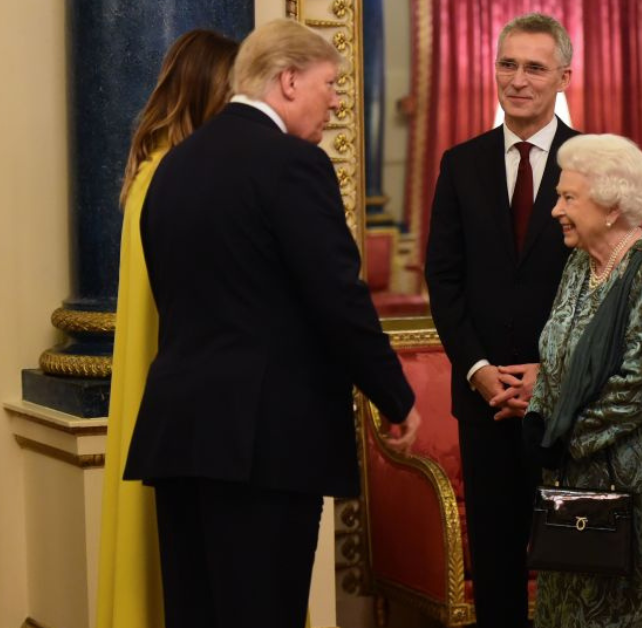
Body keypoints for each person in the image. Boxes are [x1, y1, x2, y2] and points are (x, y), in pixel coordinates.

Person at [122, 19, 421, 628]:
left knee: (197, 614)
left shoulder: (171, 169)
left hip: (179, 435)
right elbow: (338, 297)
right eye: (329, 84)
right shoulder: (292, 165)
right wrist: (396, 397)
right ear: (287, 80)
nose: (336, 102)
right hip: (264, 443)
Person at [423, 13, 578, 627]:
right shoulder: (461, 164)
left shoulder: (591, 160)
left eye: (534, 67)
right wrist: (479, 369)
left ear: (564, 76)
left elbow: (608, 285)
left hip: (567, 407)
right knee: (496, 568)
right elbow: (444, 279)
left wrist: (554, 373)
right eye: (507, 65)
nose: (517, 80)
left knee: (574, 565)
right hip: (485, 403)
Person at [525, 133, 642, 628]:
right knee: (567, 613)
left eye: (568, 198)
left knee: (625, 616)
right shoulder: (579, 265)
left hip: (633, 489)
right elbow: (554, 353)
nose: (556, 210)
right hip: (573, 481)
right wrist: (540, 417)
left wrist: (566, 436)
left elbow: (640, 383)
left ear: (610, 205)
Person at [97, 30, 238, 628]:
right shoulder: (177, 178)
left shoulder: (153, 173)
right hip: (189, 391)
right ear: (208, 92)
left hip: (164, 391)